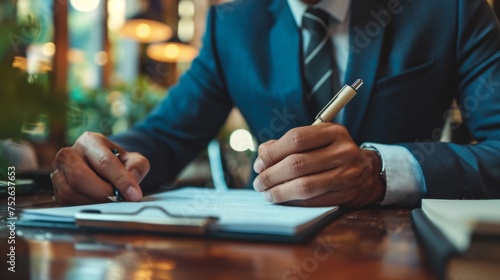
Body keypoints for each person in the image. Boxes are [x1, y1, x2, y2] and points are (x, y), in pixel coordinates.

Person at [51, 0, 500, 207]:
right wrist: (108, 159)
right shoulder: (232, 26)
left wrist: (381, 172)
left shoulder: (453, 10)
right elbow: (165, 136)